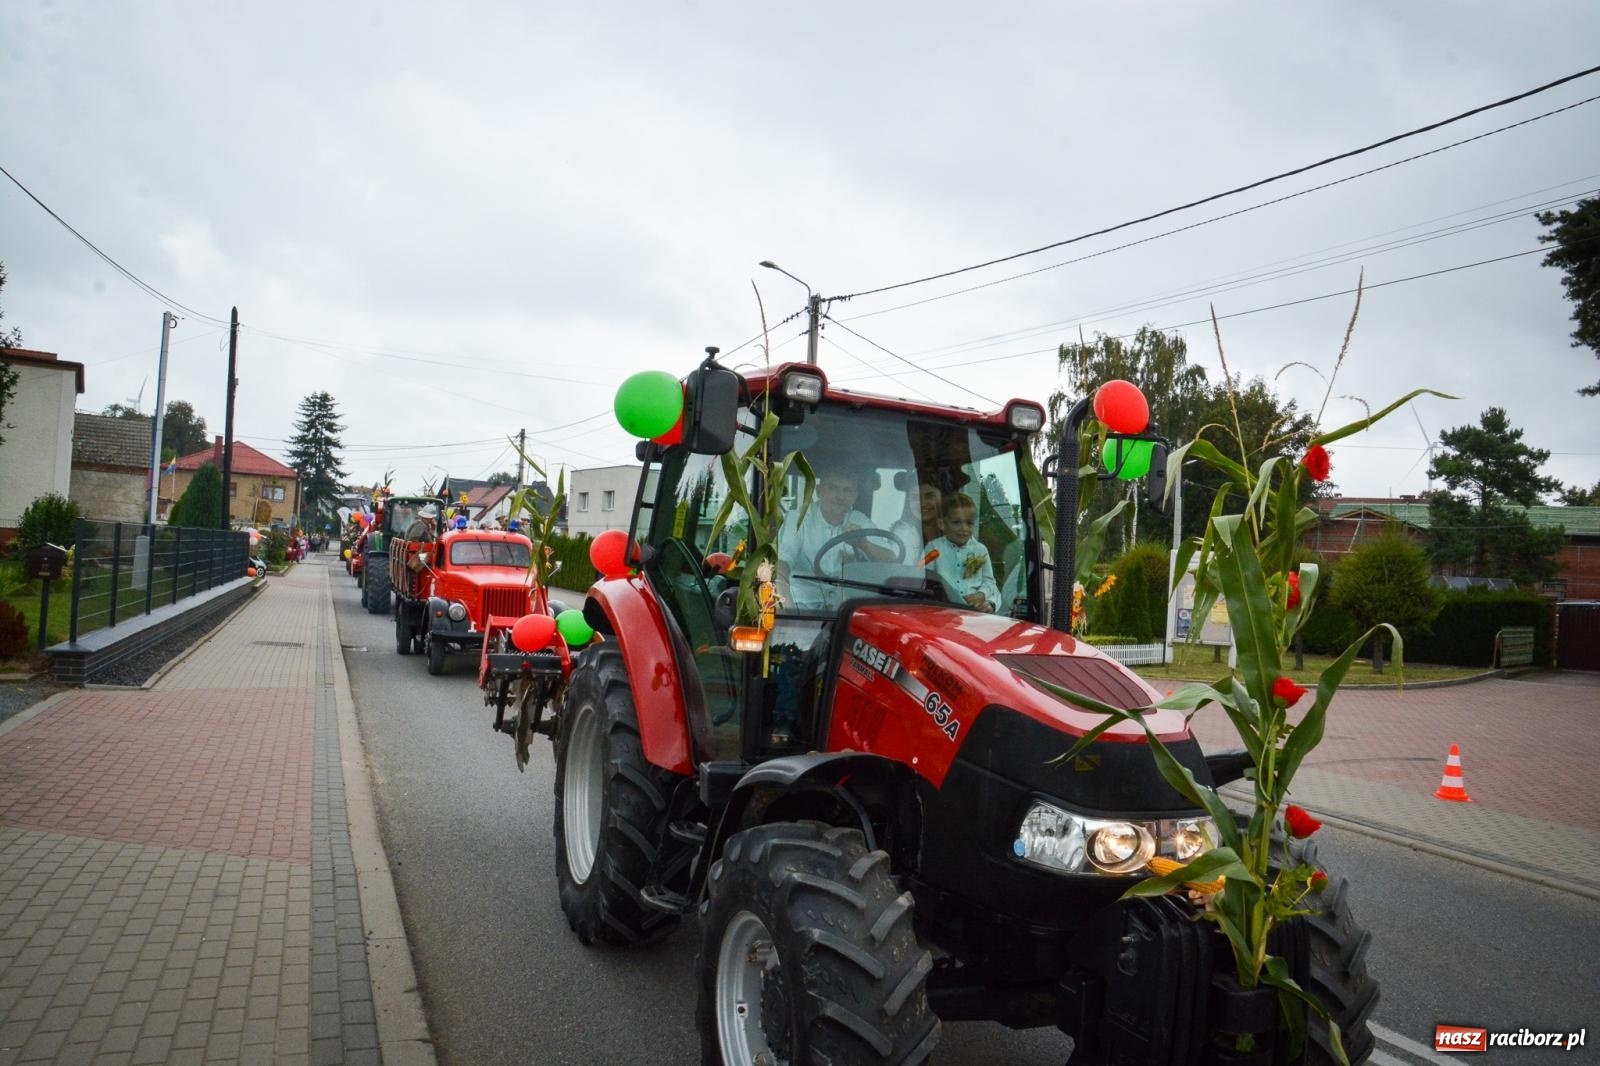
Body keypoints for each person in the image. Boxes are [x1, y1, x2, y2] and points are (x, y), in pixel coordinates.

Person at [776, 463, 896, 610]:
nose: (840, 496)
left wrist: (864, 545)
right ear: (819, 491)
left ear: (855, 496)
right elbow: (781, 565)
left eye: (847, 490)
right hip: (802, 607)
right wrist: (786, 609)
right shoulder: (799, 519)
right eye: (833, 488)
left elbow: (892, 558)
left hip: (845, 608)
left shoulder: (859, 520)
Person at [924, 492, 1000, 612]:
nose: (964, 528)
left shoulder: (980, 550)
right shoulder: (933, 548)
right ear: (942, 524)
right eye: (956, 522)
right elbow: (924, 579)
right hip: (943, 610)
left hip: (974, 611)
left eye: (969, 523)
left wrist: (981, 595)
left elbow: (989, 581)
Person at [890, 477, 943, 560]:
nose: (923, 503)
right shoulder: (905, 534)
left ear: (942, 498)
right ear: (909, 502)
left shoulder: (958, 531)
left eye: (930, 496)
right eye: (915, 497)